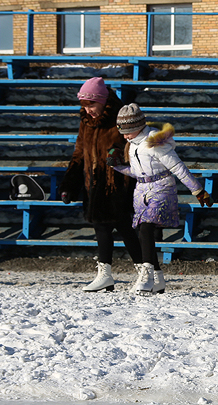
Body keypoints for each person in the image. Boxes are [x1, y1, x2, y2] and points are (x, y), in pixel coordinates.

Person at [108, 103, 212, 295]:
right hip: (141, 190)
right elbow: (138, 172)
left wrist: (198, 190)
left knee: (147, 227)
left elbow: (178, 167)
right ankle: (158, 279)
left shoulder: (155, 141)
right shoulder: (132, 145)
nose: (124, 136)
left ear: (137, 126)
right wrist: (117, 167)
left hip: (162, 187)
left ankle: (146, 276)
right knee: (141, 230)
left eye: (127, 131)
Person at [60, 77, 145, 293]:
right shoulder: (86, 122)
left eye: (91, 105)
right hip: (93, 183)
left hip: (119, 183)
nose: (88, 110)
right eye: (84, 106)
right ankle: (105, 274)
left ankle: (145, 272)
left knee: (125, 228)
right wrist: (69, 184)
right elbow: (79, 152)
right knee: (101, 227)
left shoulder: (120, 116)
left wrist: (116, 155)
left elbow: (133, 144)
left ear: (103, 101)